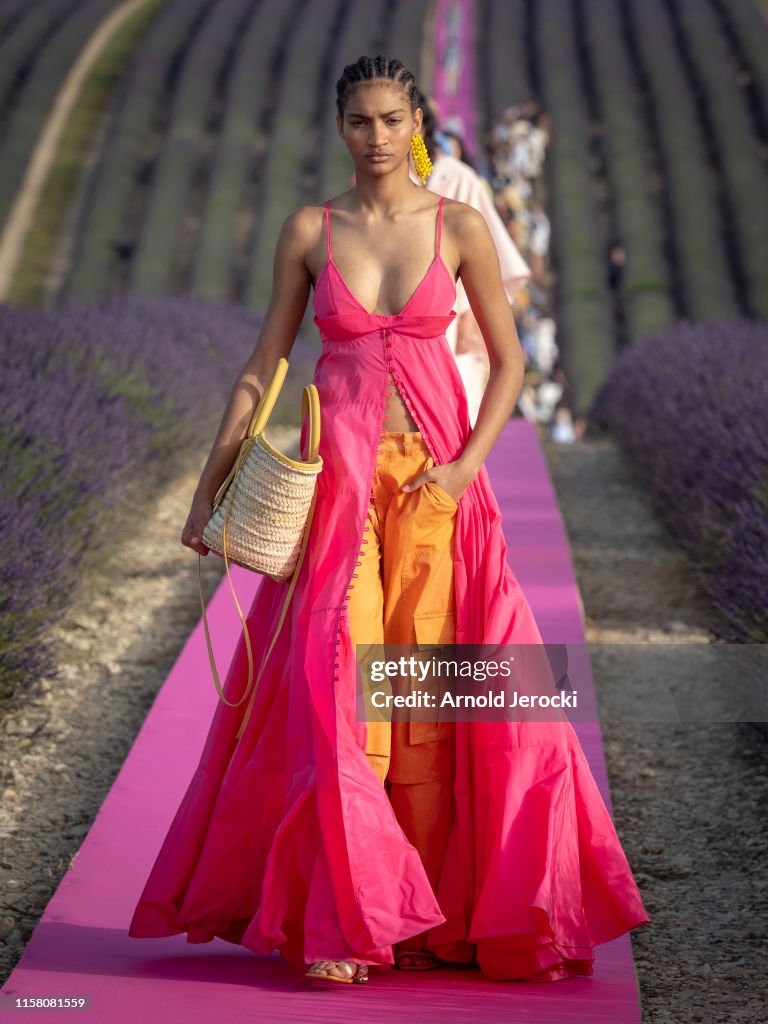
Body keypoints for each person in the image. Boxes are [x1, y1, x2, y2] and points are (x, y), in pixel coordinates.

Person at [128, 54, 649, 987]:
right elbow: (262, 370)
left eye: (390, 119)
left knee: (442, 697)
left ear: (417, 123)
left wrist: (462, 470)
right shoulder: (308, 231)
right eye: (358, 121)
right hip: (339, 488)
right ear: (340, 128)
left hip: (440, 486)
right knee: (341, 689)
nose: (375, 137)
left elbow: (508, 361)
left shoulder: (459, 227)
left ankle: (447, 914)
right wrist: (208, 493)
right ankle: (349, 918)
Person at [410, 93, 531, 427]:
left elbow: (491, 261)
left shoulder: (454, 179)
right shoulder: (372, 185)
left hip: (448, 323)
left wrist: (472, 320)